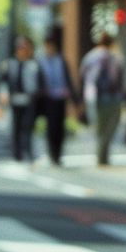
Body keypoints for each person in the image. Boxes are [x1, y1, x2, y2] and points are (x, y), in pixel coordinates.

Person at [79, 32, 125, 166]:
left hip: (95, 97)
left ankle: (101, 155)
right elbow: (121, 78)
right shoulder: (115, 57)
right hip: (113, 97)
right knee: (110, 127)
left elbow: (82, 76)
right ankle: (103, 155)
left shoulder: (90, 57)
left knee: (99, 127)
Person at [0, 37, 44, 163]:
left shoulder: (34, 64)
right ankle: (16, 154)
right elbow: (4, 81)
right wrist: (3, 96)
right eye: (20, 48)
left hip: (29, 100)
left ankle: (28, 152)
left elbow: (40, 83)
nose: (23, 51)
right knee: (16, 127)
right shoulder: (9, 64)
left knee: (28, 126)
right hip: (15, 99)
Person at [37, 34, 78, 167]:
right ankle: (51, 153)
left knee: (60, 127)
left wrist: (74, 99)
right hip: (48, 99)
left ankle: (58, 155)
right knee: (51, 127)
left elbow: (68, 80)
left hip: (60, 98)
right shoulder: (41, 62)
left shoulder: (61, 60)